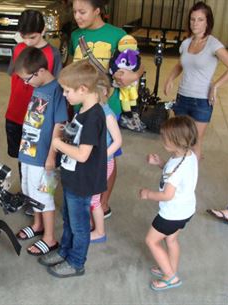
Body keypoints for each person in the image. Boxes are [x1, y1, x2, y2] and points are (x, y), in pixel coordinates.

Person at [70, 0, 144, 218]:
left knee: (106, 158)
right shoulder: (76, 36)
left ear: (97, 10)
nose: (77, 16)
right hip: (80, 107)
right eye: (74, 12)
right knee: (85, 154)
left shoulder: (118, 35)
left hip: (106, 108)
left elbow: (138, 64)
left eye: (82, 12)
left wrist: (135, 74)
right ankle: (89, 199)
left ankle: (103, 204)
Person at [38, 59, 108, 277]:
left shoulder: (94, 117)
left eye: (68, 91)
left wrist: (57, 143)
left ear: (83, 89)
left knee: (79, 226)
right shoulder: (82, 110)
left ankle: (77, 262)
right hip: (72, 177)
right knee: (68, 219)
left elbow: (83, 154)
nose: (65, 95)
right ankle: (65, 252)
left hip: (82, 181)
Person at [14, 47, 68, 256]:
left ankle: (50, 238)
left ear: (41, 71)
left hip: (44, 156)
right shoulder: (39, 87)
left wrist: (52, 155)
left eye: (27, 79)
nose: (26, 83)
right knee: (29, 191)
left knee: (44, 195)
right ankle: (37, 225)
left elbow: (60, 123)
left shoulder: (57, 90)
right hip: (29, 151)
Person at [163, 1, 228, 161]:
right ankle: (177, 176)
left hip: (202, 101)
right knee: (179, 141)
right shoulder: (186, 43)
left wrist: (216, 85)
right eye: (193, 19)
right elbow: (180, 64)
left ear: (208, 22)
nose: (195, 23)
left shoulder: (214, 44)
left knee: (194, 143)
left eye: (200, 19)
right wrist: (170, 79)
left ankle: (190, 182)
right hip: (182, 98)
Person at [139, 116, 198, 291]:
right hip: (186, 210)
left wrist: (148, 194)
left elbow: (167, 195)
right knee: (171, 240)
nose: (161, 139)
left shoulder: (175, 169)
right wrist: (160, 163)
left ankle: (170, 277)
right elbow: (175, 178)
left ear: (177, 141)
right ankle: (169, 268)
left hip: (171, 214)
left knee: (151, 241)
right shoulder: (189, 156)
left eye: (165, 137)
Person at [5, 9, 63, 183]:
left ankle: (39, 194)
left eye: (33, 37)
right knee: (21, 157)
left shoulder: (53, 54)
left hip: (39, 119)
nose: (28, 42)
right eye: (24, 37)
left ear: (43, 30)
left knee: (39, 157)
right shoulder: (18, 49)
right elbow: (12, 75)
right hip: (15, 113)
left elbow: (57, 87)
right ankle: (26, 190)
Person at [90, 84, 122, 243]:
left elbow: (117, 141)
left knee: (93, 201)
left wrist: (102, 158)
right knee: (89, 197)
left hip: (102, 163)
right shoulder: (92, 111)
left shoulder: (107, 114)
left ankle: (99, 232)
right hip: (92, 162)